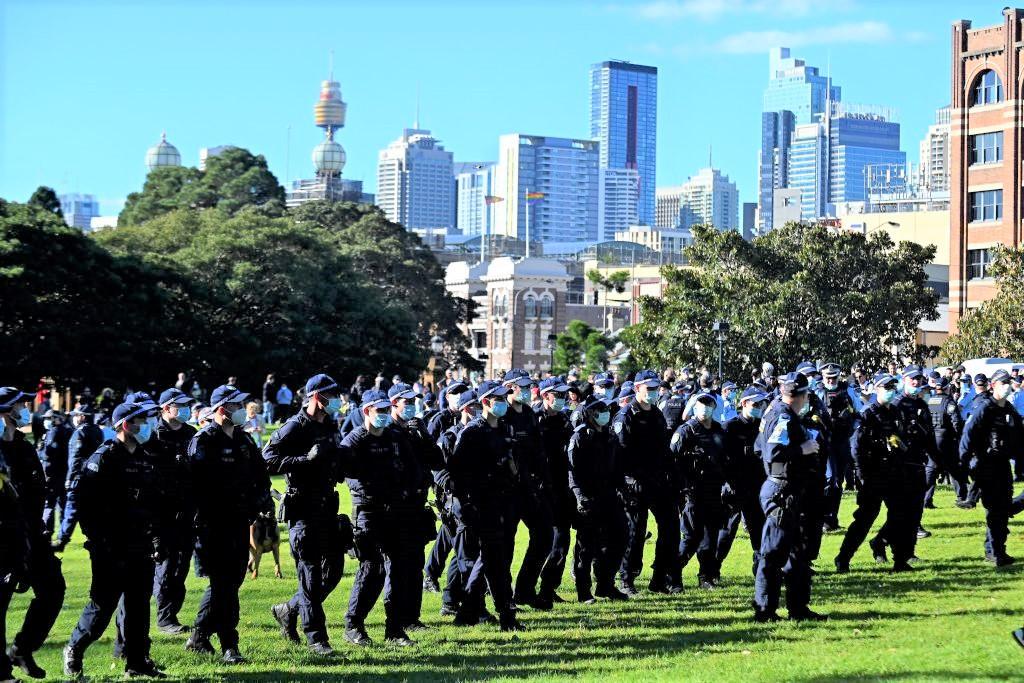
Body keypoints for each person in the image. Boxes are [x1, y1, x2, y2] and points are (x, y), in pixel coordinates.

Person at [62, 400, 164, 679]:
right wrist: (99, 541)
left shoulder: (144, 457)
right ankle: (74, 648)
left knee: (138, 605)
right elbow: (86, 505)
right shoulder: (103, 458)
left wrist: (156, 539)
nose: (147, 425)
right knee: (103, 604)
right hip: (110, 546)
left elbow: (153, 503)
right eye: (141, 421)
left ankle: (137, 662)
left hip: (139, 545)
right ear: (124, 425)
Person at [184, 385, 272, 664]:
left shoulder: (244, 441)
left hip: (240, 521)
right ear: (222, 409)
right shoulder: (204, 441)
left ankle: (198, 636)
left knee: (231, 581)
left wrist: (261, 501)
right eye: (236, 406)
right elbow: (193, 485)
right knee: (223, 584)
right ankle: (229, 645)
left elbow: (261, 475)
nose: (242, 411)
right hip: (213, 524)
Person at [266, 374, 347, 656]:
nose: (336, 400)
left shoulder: (330, 423)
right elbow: (267, 459)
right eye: (330, 395)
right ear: (315, 397)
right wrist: (304, 460)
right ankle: (317, 639)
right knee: (310, 574)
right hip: (303, 509)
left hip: (328, 506)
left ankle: (288, 610)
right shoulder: (295, 427)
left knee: (333, 570)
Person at [341, 390, 425, 647]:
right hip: (368, 512)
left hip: (397, 511)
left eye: (386, 410)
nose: (385, 416)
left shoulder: (396, 437)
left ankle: (395, 628)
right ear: (367, 412)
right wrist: (371, 488)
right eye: (379, 411)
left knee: (399, 569)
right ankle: (353, 624)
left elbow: (413, 469)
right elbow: (347, 475)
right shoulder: (354, 440)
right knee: (371, 569)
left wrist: (409, 491)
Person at [446, 381, 524, 631]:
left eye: (504, 398)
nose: (503, 403)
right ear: (486, 402)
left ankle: (470, 612)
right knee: (493, 562)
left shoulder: (505, 428)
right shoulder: (471, 433)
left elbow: (512, 465)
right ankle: (504, 616)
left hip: (503, 503)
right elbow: (457, 474)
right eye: (498, 399)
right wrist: (467, 505)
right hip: (479, 505)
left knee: (493, 561)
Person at [1, 388, 65, 681]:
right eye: (20, 405)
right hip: (3, 536)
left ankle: (22, 648)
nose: (26, 408)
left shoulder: (24, 447)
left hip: (31, 533)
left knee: (53, 588)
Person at [752, 372, 825, 622]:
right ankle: (765, 610)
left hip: (790, 489)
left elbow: (758, 447)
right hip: (782, 490)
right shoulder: (783, 416)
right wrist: (802, 449)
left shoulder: (777, 411)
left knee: (798, 552)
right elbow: (773, 451)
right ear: (802, 396)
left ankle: (798, 608)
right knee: (773, 552)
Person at [834, 374, 914, 573]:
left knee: (899, 516)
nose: (890, 390)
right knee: (865, 519)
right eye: (886, 387)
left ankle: (900, 560)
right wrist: (862, 475)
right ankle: (843, 558)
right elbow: (856, 447)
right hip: (873, 475)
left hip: (894, 472)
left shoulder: (895, 411)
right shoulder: (867, 414)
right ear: (877, 389)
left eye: (892, 386)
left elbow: (901, 437)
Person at [616, 370, 680, 595]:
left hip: (658, 481)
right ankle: (627, 579)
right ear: (637, 389)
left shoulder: (657, 414)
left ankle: (659, 578)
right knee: (635, 532)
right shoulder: (626, 416)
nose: (653, 392)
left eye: (655, 388)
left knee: (671, 529)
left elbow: (664, 449)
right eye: (648, 388)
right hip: (634, 483)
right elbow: (620, 455)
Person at [387, 382, 440, 632]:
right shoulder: (385, 431)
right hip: (395, 508)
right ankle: (395, 620)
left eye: (413, 402)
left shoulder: (415, 430)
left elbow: (438, 461)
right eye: (406, 402)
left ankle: (412, 617)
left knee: (415, 563)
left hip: (417, 505)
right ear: (393, 404)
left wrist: (425, 436)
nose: (411, 406)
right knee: (397, 567)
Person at [499, 370, 554, 610]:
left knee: (544, 536)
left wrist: (543, 480)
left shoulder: (529, 414)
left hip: (530, 487)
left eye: (529, 385)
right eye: (522, 385)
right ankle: (505, 595)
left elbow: (538, 450)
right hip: (508, 489)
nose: (527, 388)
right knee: (505, 545)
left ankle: (525, 589)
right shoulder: (502, 415)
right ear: (510, 387)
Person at [567, 394, 628, 603]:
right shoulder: (580, 437)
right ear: (591, 414)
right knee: (586, 547)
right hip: (589, 498)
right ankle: (584, 591)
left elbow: (617, 466)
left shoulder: (610, 436)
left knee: (618, 539)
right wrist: (579, 496)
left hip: (610, 496)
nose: (606, 414)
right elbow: (572, 471)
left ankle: (606, 585)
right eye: (601, 410)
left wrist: (623, 490)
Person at [147, 389, 198, 635]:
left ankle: (172, 613)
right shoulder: (154, 436)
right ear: (166, 408)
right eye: (181, 405)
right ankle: (164, 618)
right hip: (161, 513)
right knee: (165, 566)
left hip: (187, 510)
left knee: (181, 566)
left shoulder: (191, 434)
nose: (186, 409)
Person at [960, 369, 1021, 567]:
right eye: (1003, 383)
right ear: (993, 385)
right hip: (986, 465)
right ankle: (995, 552)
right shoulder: (985, 408)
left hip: (1003, 465)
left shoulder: (1009, 409)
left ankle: (995, 549)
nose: (1006, 386)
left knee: (1003, 510)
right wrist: (963, 464)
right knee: (995, 510)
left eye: (1008, 383)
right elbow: (968, 436)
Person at [671, 392, 729, 589]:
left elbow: (725, 460)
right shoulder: (686, 431)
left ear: (714, 407)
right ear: (694, 407)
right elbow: (673, 461)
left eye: (708, 404)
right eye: (701, 404)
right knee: (690, 538)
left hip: (714, 491)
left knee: (710, 538)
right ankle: (672, 576)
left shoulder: (719, 431)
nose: (705, 407)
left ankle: (706, 577)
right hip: (692, 492)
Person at [429, 390, 478, 617]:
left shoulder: (477, 434)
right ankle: (469, 605)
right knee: (465, 556)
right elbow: (438, 469)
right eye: (476, 406)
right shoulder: (450, 437)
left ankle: (450, 600)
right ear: (467, 408)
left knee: (463, 555)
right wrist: (455, 489)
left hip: (474, 501)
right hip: (455, 503)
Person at [532, 377, 575, 606]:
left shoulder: (565, 420)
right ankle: (525, 589)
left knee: (562, 540)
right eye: (557, 395)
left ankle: (548, 587)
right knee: (541, 542)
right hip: (539, 488)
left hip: (561, 486)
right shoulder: (534, 420)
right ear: (545, 395)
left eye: (563, 395)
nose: (562, 399)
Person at [717, 386, 768, 578]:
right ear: (744, 403)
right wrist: (727, 483)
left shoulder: (762, 426)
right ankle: (713, 569)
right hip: (735, 486)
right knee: (727, 531)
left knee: (759, 530)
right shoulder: (730, 427)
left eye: (761, 404)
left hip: (756, 485)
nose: (759, 407)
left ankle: (761, 568)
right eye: (755, 404)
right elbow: (721, 458)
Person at [54, 405, 105, 550]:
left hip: (79, 477)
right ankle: (93, 537)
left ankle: (61, 539)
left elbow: (76, 458)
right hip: (93, 477)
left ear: (83, 416)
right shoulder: (97, 431)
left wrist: (70, 478)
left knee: (71, 507)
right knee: (90, 509)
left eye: (76, 415)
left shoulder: (80, 433)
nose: (74, 418)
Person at [817, 362, 860, 533]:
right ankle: (824, 518)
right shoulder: (818, 392)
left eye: (834, 377)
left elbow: (859, 412)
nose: (831, 380)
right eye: (828, 377)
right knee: (830, 480)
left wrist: (853, 429)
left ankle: (832, 520)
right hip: (825, 442)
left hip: (843, 441)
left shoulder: (847, 390)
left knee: (838, 482)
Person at [926, 377, 967, 508]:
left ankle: (926, 500)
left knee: (931, 470)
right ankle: (962, 497)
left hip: (932, 439)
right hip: (946, 439)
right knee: (954, 468)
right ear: (947, 388)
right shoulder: (949, 402)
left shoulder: (929, 401)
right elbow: (956, 422)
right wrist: (957, 437)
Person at [38, 409, 72, 537]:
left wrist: (45, 474)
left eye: (48, 418)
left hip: (52, 475)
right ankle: (63, 534)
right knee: (63, 505)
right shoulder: (68, 431)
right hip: (64, 474)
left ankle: (47, 531)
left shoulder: (53, 432)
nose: (46, 421)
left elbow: (47, 456)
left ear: (55, 418)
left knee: (49, 504)